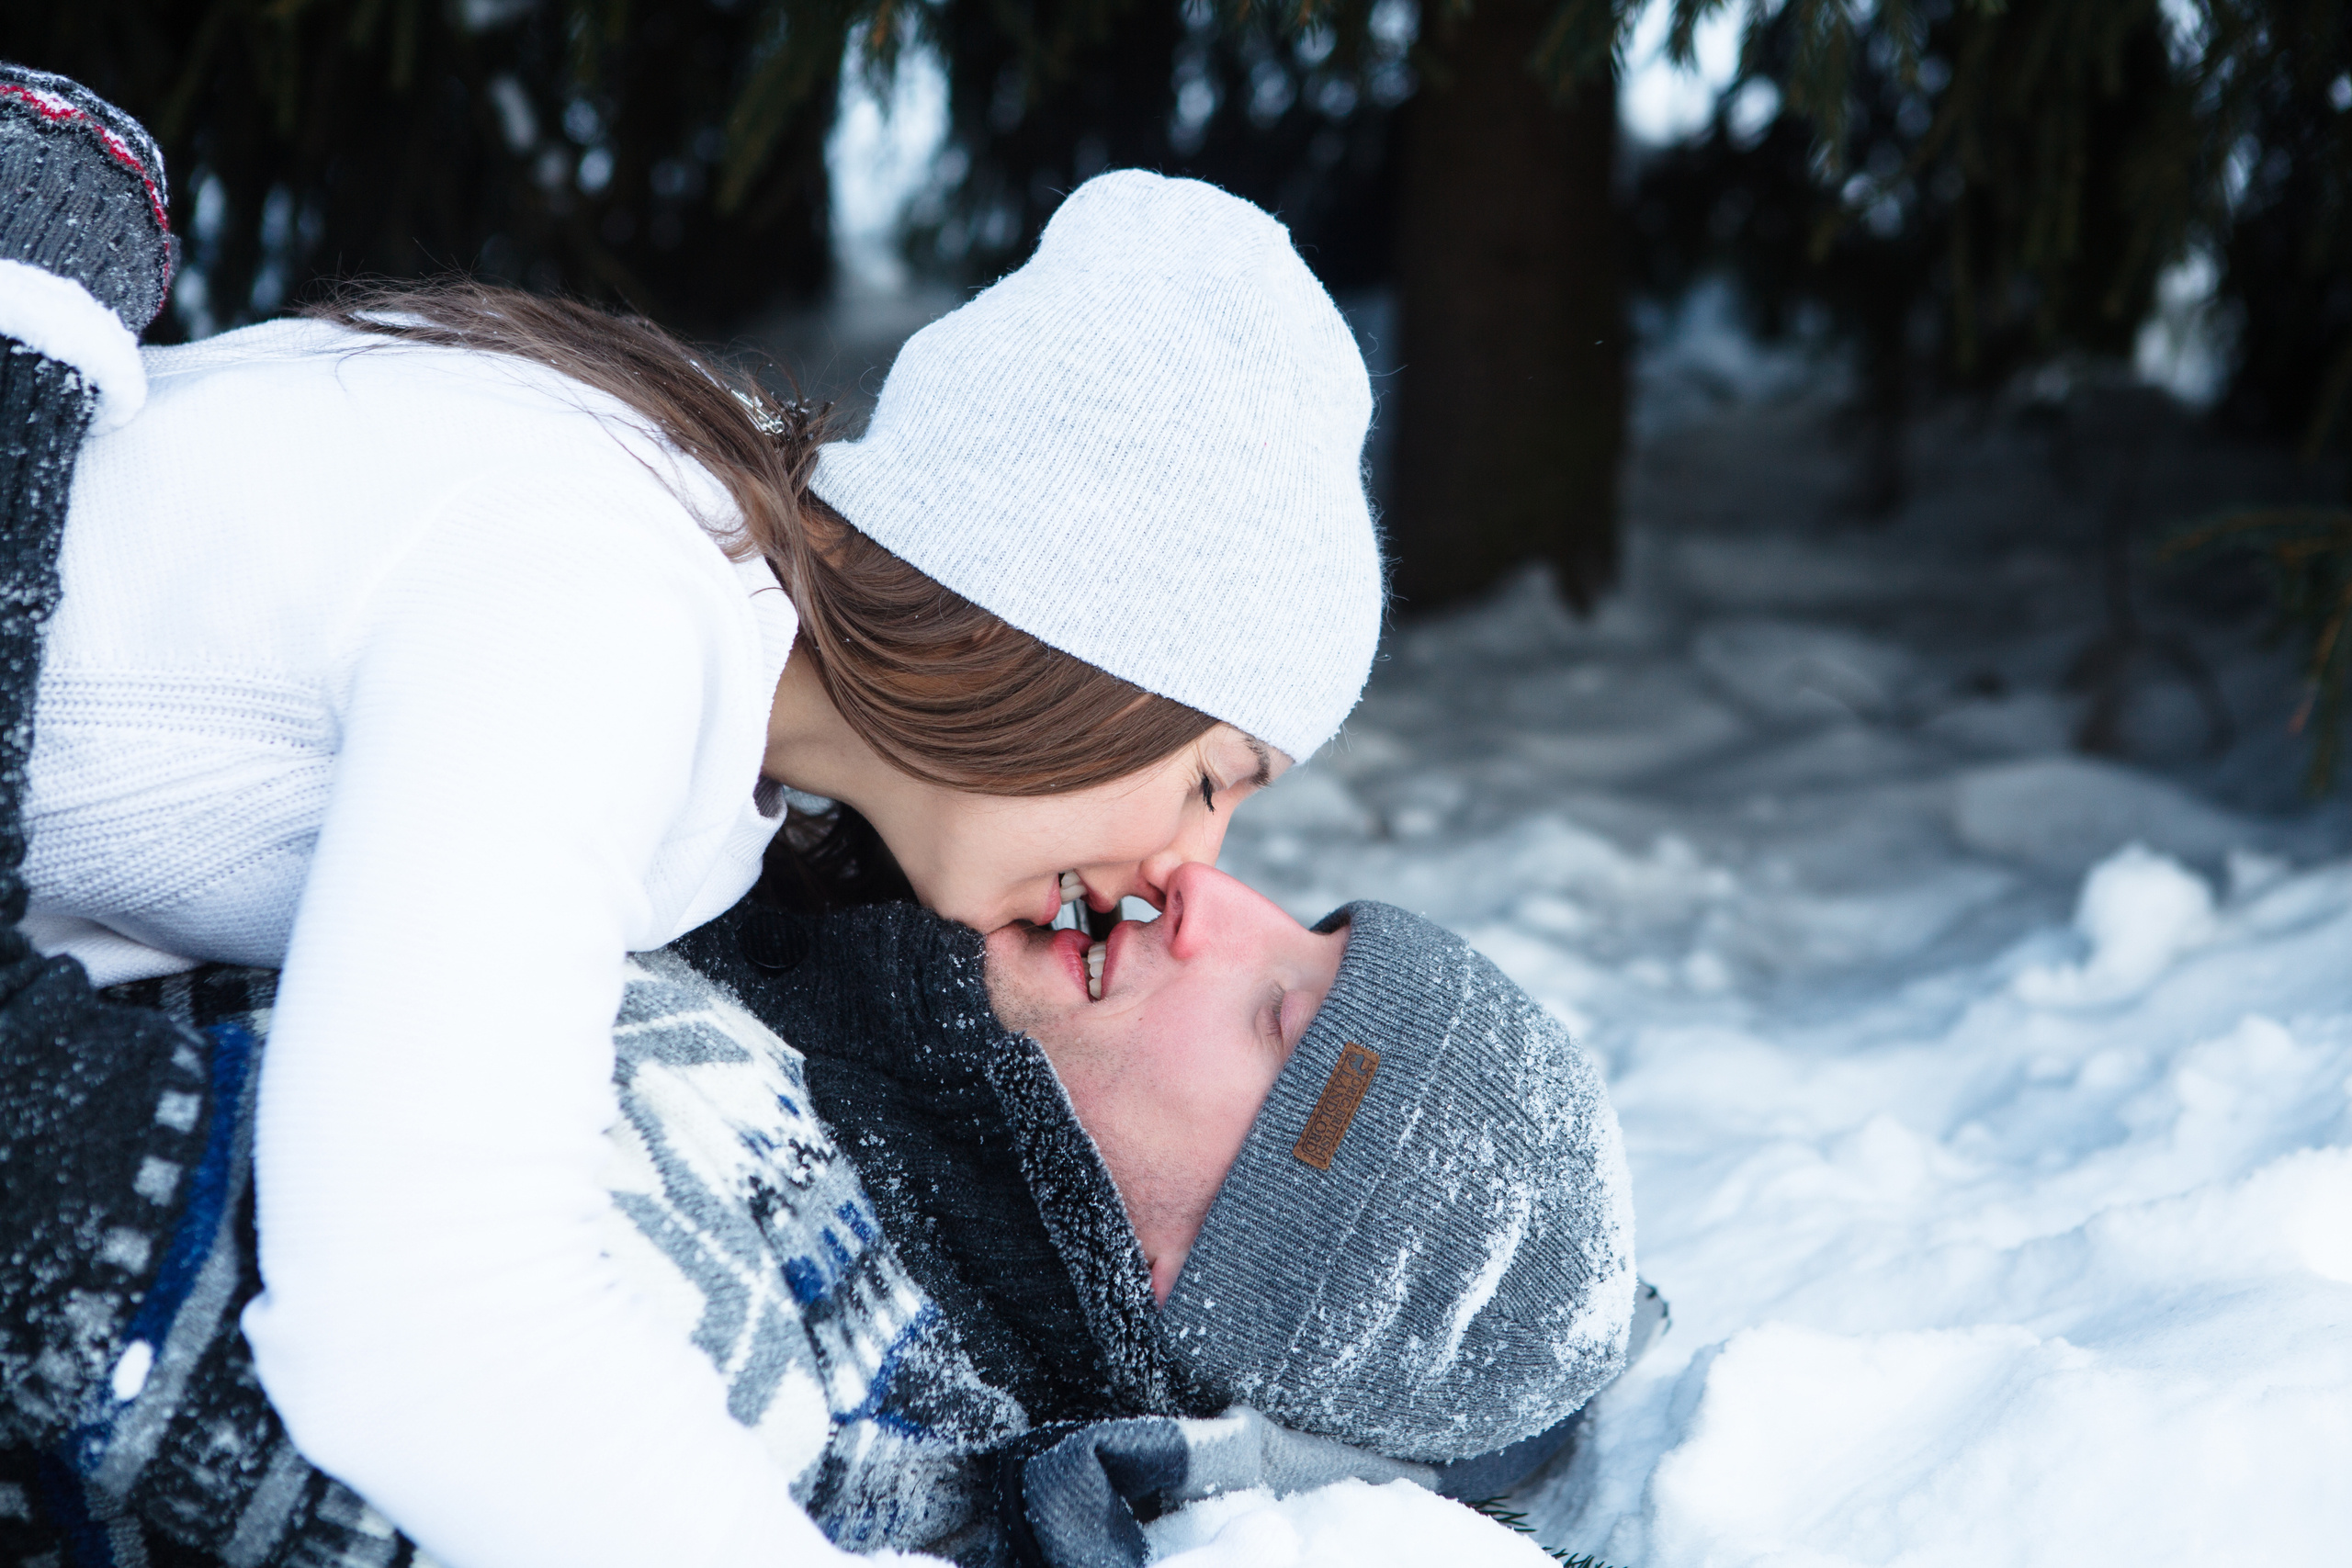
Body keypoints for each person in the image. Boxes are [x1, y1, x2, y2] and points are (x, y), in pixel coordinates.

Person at [0, 64, 1383, 1568]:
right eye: (1211, 775)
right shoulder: (601, 610)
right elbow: (422, 1313)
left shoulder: (699, 624)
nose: (1194, 869)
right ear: (1056, 627)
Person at [2, 864, 1642, 1568]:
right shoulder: (883, 1040)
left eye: (1281, 1015)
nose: (1215, 895)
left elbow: (50, 1204)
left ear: (1201, 1276)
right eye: (1314, 919)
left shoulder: (776, 1382)